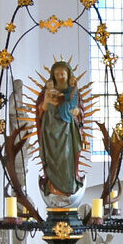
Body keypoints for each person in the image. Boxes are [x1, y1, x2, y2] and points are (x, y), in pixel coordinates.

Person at [36, 61, 83, 197]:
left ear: (68, 75)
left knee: (67, 159)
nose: (60, 77)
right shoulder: (46, 92)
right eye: (57, 74)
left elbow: (80, 111)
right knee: (52, 159)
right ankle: (53, 188)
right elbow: (40, 110)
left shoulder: (74, 91)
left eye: (63, 74)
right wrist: (47, 100)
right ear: (53, 76)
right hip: (49, 130)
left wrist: (77, 112)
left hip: (67, 132)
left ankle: (68, 187)